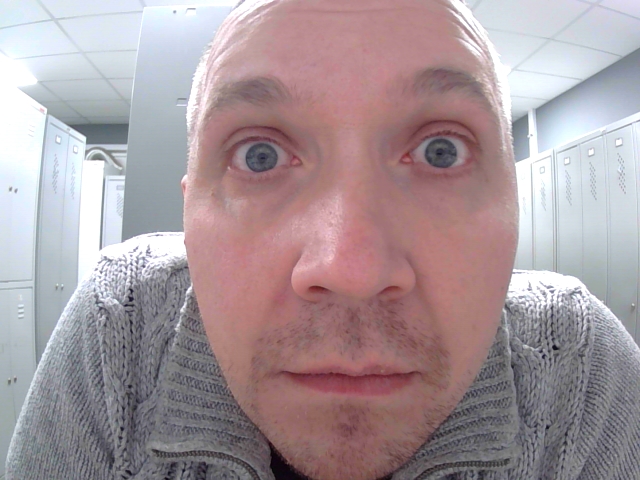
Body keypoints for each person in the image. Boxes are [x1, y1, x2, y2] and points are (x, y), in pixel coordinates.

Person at [7, 0, 640, 479]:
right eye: (258, 155)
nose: (350, 268)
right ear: (188, 211)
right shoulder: (121, 322)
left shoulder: (575, 358)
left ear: (514, 200)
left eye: (440, 151)